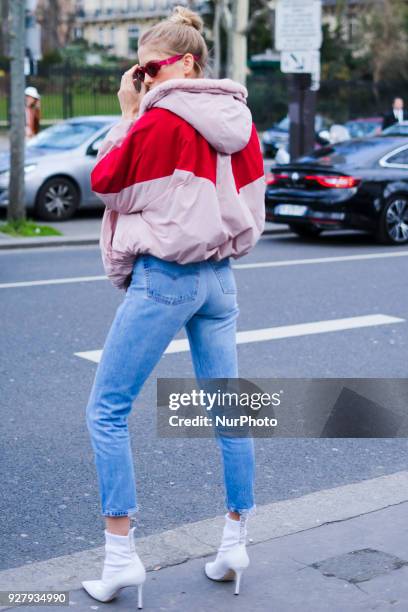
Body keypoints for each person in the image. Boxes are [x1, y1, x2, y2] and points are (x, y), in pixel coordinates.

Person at [81, 5, 265, 608]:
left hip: (166, 277)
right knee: (228, 412)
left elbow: (106, 182)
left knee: (107, 411)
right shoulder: (241, 119)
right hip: (221, 280)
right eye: (139, 70)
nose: (144, 78)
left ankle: (119, 558)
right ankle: (235, 542)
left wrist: (129, 114)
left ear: (185, 62)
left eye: (150, 67)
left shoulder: (160, 121)